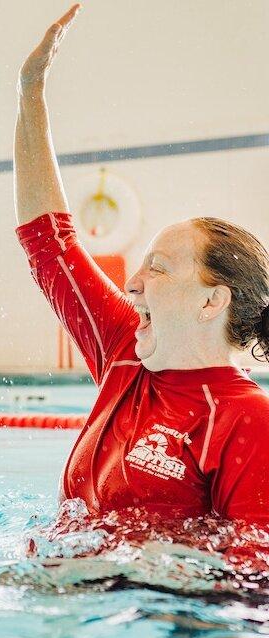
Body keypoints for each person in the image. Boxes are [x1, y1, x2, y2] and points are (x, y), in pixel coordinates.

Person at [14, 5, 269, 525]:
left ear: (211, 300)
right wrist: (30, 95)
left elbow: (250, 578)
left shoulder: (247, 421)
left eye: (158, 267)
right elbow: (49, 244)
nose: (131, 283)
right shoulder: (124, 356)